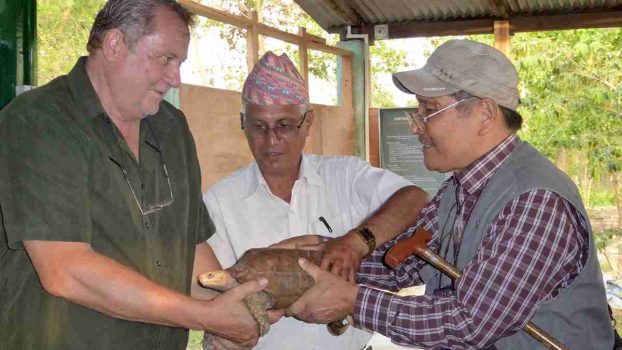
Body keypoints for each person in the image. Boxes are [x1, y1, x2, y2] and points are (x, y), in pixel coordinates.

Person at [286, 39, 614, 349]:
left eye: (429, 109)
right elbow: (399, 264)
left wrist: (351, 300)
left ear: (484, 115)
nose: (416, 125)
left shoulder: (536, 202)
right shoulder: (458, 190)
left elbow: (469, 322)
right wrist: (319, 261)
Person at [0, 1, 279, 349]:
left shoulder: (172, 128)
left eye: (180, 63)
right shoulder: (40, 121)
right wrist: (204, 315)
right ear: (115, 44)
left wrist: (233, 304)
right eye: (166, 58)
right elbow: (65, 270)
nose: (175, 77)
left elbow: (191, 251)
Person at [202, 51, 429, 350]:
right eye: (258, 126)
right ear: (243, 123)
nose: (271, 141)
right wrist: (219, 331)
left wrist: (354, 243)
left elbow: (414, 198)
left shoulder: (345, 175)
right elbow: (209, 296)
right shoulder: (219, 202)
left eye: (284, 125)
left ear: (308, 122)